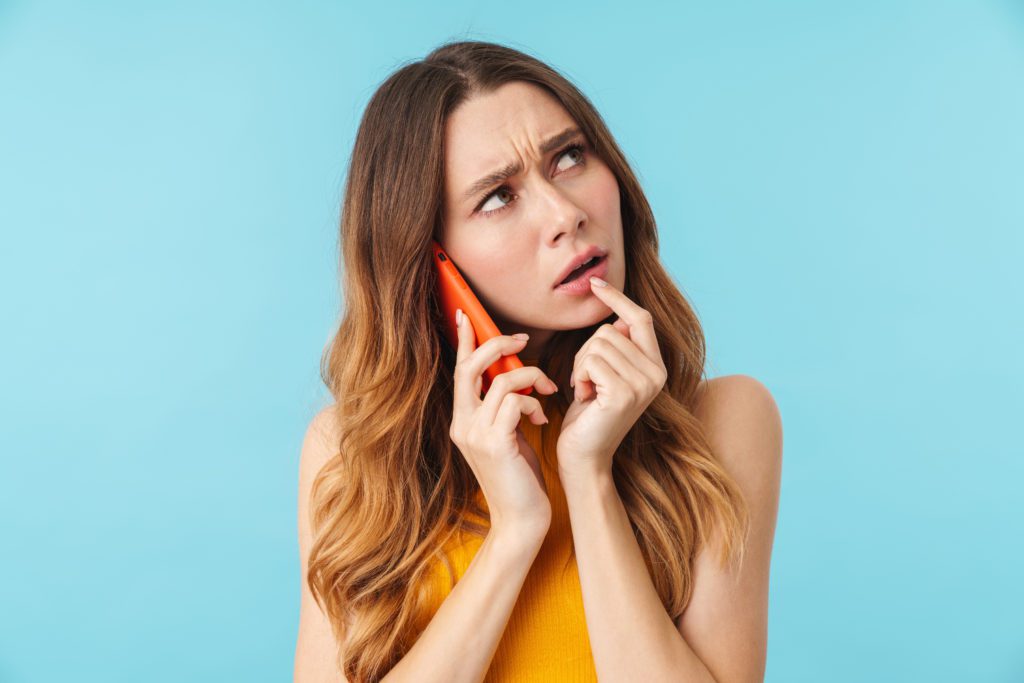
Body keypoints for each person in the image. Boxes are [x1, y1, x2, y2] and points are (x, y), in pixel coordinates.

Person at [294, 40, 783, 683]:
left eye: (570, 157)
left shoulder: (724, 420)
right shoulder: (351, 451)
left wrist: (588, 476)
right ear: (431, 261)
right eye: (498, 196)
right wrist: (514, 534)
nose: (567, 214)